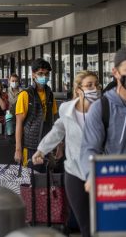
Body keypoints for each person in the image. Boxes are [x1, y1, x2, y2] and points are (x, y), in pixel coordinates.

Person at [32, 71, 100, 237]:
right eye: (89, 85)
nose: (95, 89)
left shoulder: (104, 108)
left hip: (100, 171)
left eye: (96, 85)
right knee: (86, 225)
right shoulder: (67, 109)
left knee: (103, 223)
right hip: (75, 171)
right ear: (78, 90)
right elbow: (57, 131)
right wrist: (41, 150)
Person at [81, 47, 126, 191]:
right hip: (114, 182)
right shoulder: (102, 108)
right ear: (115, 73)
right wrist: (91, 174)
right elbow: (89, 148)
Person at [15, 58, 58, 169]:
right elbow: (19, 123)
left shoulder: (50, 94)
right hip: (29, 145)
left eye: (46, 74)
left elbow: (54, 120)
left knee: (45, 178)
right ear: (33, 75)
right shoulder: (25, 95)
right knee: (30, 178)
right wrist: (18, 149)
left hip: (46, 144)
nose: (44, 77)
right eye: (40, 74)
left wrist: (56, 144)